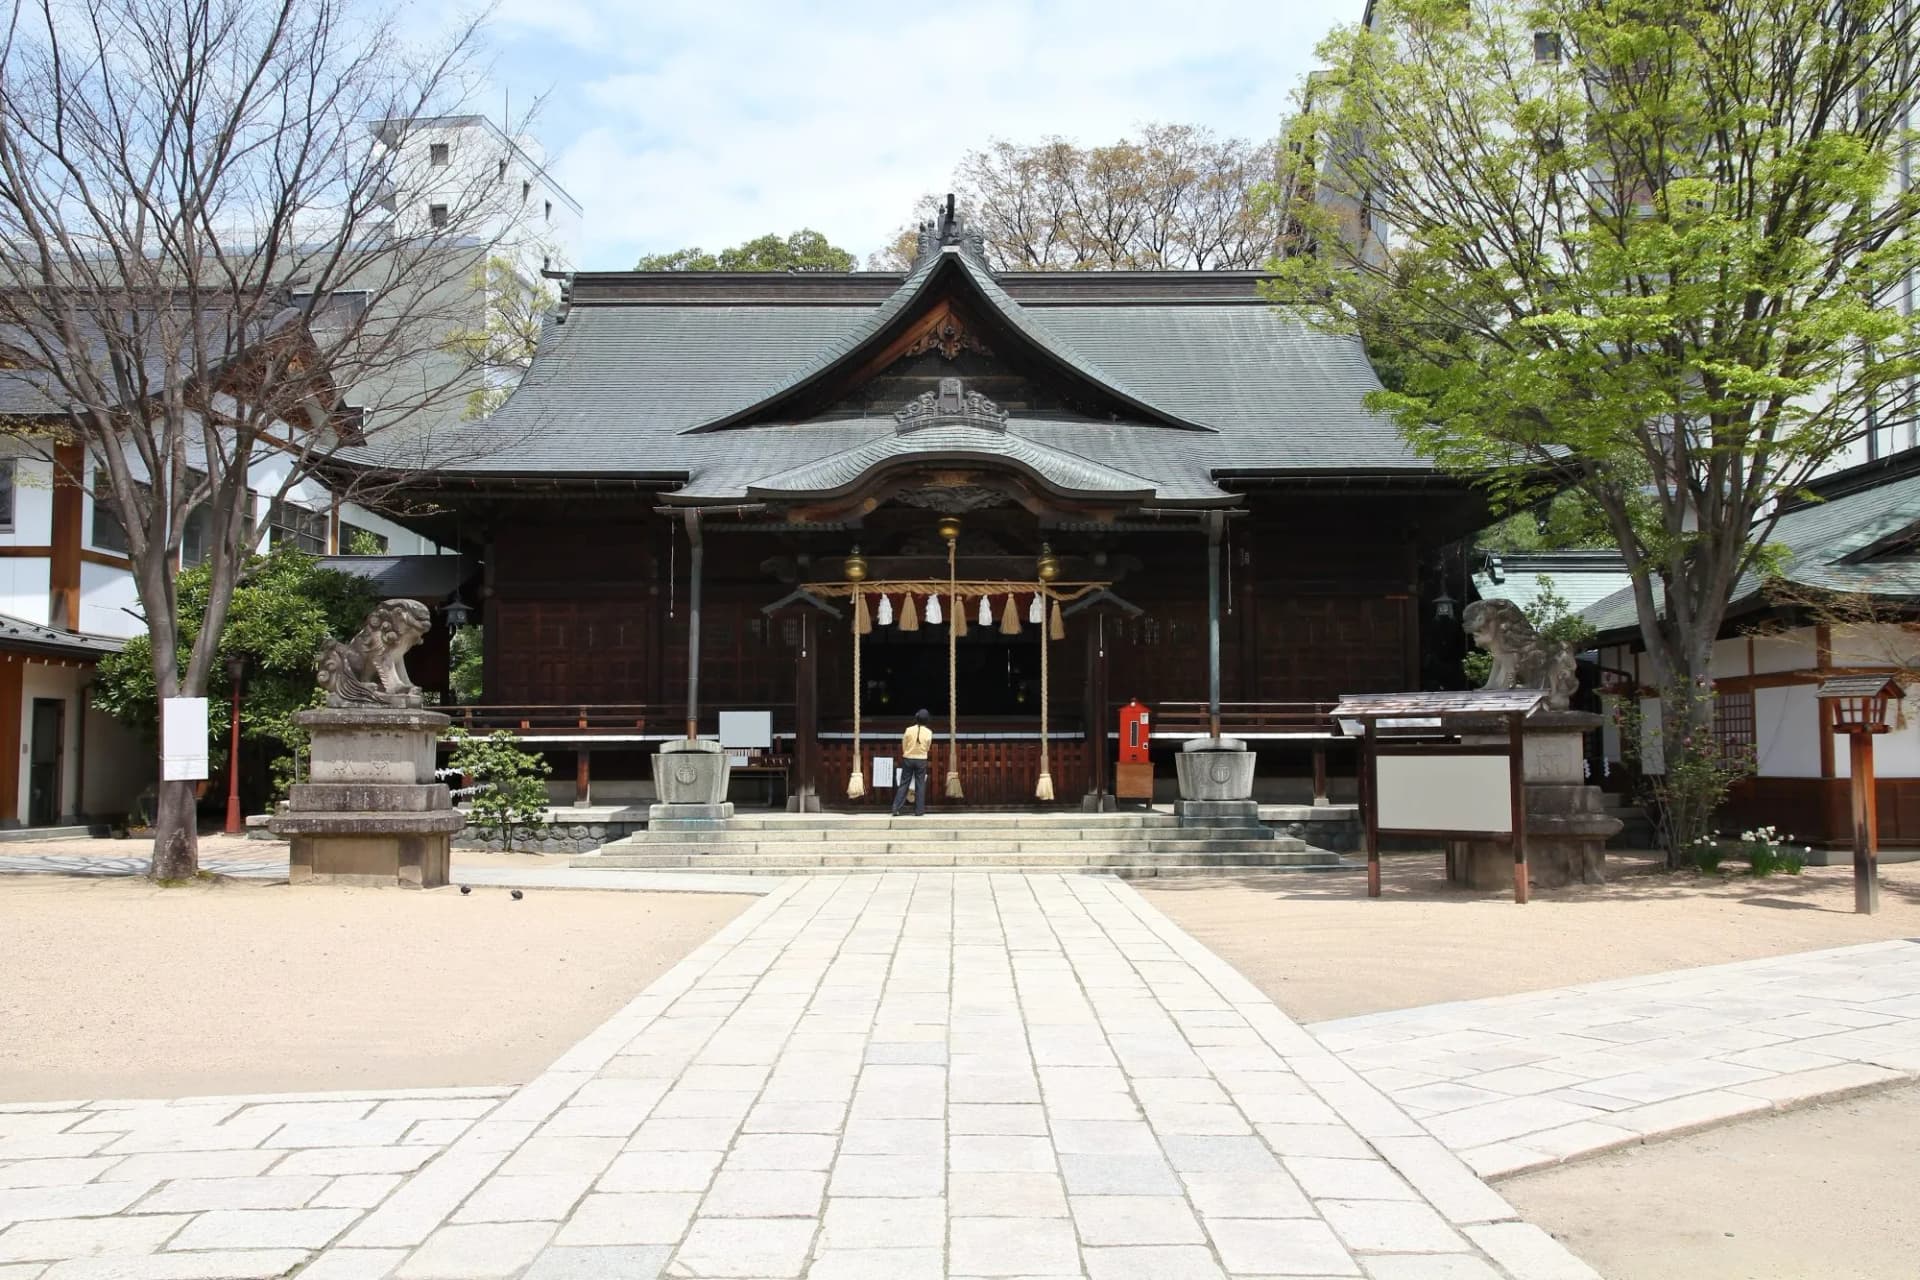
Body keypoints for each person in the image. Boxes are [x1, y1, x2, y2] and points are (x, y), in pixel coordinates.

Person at [893, 708, 933, 817]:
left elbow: (904, 744)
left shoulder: (908, 730)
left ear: (916, 718)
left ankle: (896, 808)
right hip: (921, 759)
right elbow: (928, 747)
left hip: (908, 758)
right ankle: (919, 811)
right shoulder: (929, 732)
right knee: (920, 784)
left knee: (904, 783)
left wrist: (907, 752)